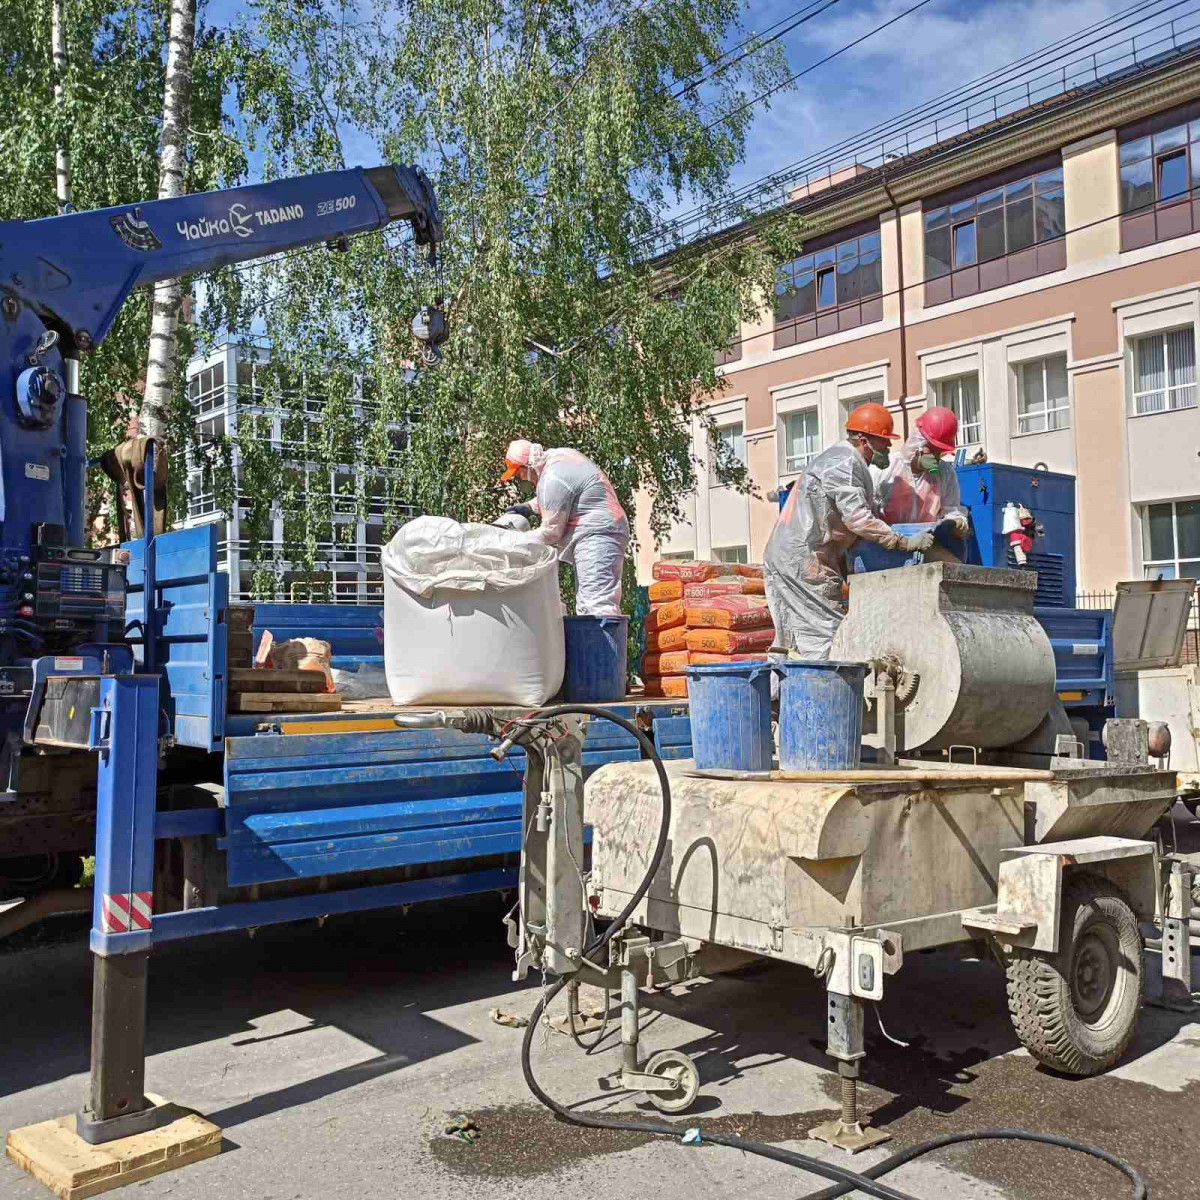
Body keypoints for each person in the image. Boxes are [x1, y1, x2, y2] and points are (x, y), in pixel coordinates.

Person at [763, 402, 934, 659]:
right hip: (800, 560)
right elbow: (858, 519)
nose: (888, 447)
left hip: (792, 556)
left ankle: (776, 697)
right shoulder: (843, 463)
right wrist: (902, 542)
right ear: (864, 440)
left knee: (790, 642)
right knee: (828, 636)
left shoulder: (844, 461)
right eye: (883, 440)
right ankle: (824, 696)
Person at [501, 439, 630, 616]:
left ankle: (601, 643)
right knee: (591, 604)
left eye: (518, 474)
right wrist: (529, 507)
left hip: (598, 535)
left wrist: (514, 541)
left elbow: (551, 533)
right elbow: (564, 494)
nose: (520, 479)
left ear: (527, 466)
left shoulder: (552, 477)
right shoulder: (558, 457)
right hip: (604, 530)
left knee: (596, 607)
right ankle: (597, 641)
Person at [872, 406, 970, 539]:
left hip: (927, 542)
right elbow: (868, 512)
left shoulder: (945, 472)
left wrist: (958, 522)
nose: (935, 457)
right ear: (917, 443)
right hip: (887, 543)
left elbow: (952, 510)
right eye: (931, 449)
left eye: (939, 451)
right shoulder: (887, 468)